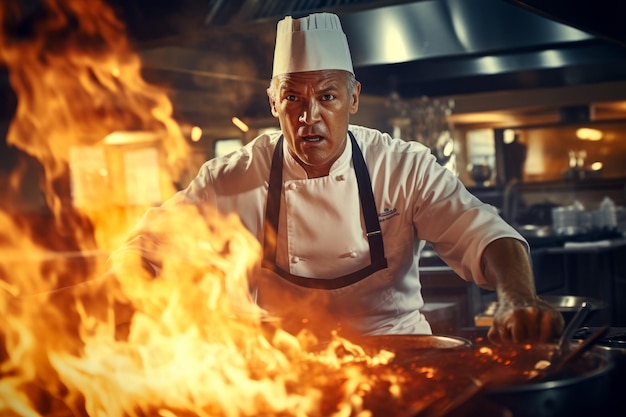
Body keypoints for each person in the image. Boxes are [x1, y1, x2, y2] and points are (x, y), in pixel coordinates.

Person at [110, 12, 563, 344]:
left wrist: (516, 295)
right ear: (273, 102)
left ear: (353, 98)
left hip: (398, 349)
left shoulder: (403, 166)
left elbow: (483, 231)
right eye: (293, 97)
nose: (310, 116)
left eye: (327, 95)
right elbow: (143, 247)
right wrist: (133, 292)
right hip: (283, 365)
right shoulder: (229, 178)